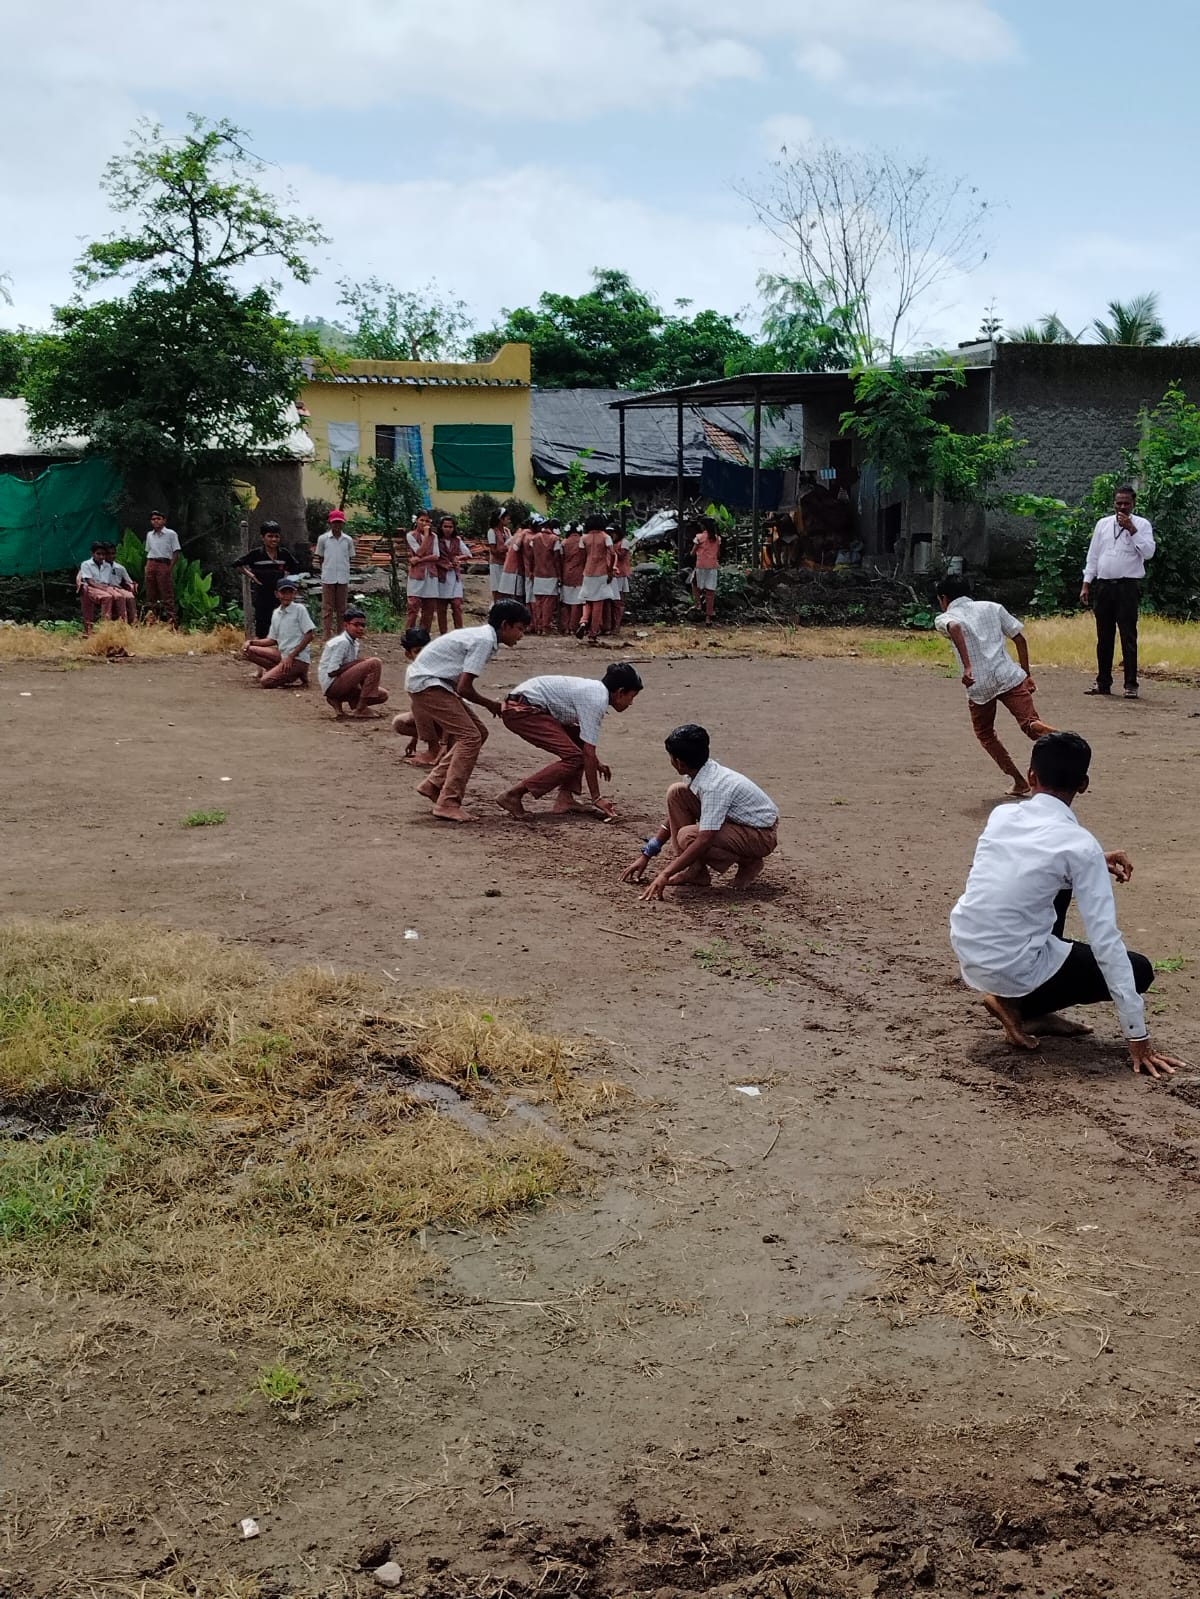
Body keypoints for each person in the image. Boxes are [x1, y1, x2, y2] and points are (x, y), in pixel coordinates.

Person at [950, 731, 1183, 1078]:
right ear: (1084, 784)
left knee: (1052, 887)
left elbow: (1030, 863)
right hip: (1011, 965)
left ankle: (1021, 1003)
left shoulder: (1002, 815)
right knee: (1140, 971)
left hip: (969, 947)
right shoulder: (1079, 846)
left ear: (1031, 776)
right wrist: (1138, 1036)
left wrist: (1090, 862)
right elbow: (1106, 944)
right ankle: (1022, 1006)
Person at [404, 599, 531, 822]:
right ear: (505, 625)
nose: (520, 635)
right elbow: (465, 687)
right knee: (470, 737)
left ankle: (434, 784)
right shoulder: (483, 640)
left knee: (479, 733)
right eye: (519, 629)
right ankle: (448, 802)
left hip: (434, 683)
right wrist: (490, 704)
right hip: (427, 683)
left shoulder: (484, 637)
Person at [622, 724, 779, 900]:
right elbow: (674, 814)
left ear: (679, 762)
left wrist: (665, 874)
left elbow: (705, 838)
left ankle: (748, 862)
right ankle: (696, 871)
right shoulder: (698, 771)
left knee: (688, 836)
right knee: (677, 793)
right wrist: (648, 852)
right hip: (739, 823)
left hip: (761, 835)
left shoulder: (713, 786)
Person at [935, 572, 1055, 798]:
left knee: (986, 734)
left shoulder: (946, 617)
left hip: (979, 684)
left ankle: (1019, 782)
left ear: (944, 599)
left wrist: (968, 666)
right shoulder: (993, 607)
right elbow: (1019, 639)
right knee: (1029, 725)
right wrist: (1026, 674)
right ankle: (1057, 737)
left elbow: (955, 627)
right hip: (1009, 675)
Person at [496, 663, 643, 821]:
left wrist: (595, 762)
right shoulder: (596, 699)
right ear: (620, 692)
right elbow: (588, 752)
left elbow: (584, 742)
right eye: (631, 697)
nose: (631, 703)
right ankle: (513, 794)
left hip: (529, 707)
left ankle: (565, 799)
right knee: (576, 757)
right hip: (522, 711)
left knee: (578, 740)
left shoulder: (595, 691)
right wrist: (596, 798)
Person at [1081, 484, 1156, 699]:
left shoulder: (1142, 524)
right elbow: (1093, 556)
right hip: (1104, 586)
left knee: (1128, 636)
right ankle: (1103, 682)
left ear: (1133, 504)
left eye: (1126, 503)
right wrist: (1087, 583)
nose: (1122, 507)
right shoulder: (1103, 524)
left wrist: (1132, 530)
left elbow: (1149, 553)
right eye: (1119, 503)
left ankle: (1130, 684)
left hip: (1127, 587)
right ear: (1114, 503)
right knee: (1104, 637)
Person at [232, 520, 308, 640]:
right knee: (262, 621)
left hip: (279, 595)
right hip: (262, 593)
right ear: (263, 537)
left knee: (280, 619)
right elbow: (237, 564)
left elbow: (295, 567)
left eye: (276, 536)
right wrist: (250, 575)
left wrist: (286, 578)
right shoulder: (256, 554)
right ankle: (262, 647)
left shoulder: (284, 554)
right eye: (270, 536)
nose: (274, 539)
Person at [241, 576, 316, 688]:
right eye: (283, 592)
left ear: (294, 594)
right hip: (283, 655)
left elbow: (310, 635)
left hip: (298, 657)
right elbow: (272, 640)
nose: (286, 596)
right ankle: (283, 672)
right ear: (277, 594)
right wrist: (251, 642)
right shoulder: (276, 613)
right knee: (248, 650)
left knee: (265, 681)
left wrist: (291, 656)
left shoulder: (299, 609)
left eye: (289, 592)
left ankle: (293, 675)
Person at [319, 605, 389, 718]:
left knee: (383, 695)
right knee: (375, 662)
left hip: (342, 683)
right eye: (356, 625)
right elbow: (332, 671)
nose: (361, 628)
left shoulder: (354, 643)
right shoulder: (342, 642)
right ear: (346, 625)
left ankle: (341, 700)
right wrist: (358, 662)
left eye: (363, 625)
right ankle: (360, 709)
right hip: (332, 684)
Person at [391, 627, 440, 763]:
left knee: (418, 704)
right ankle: (437, 745)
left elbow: (456, 705)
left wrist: (445, 744)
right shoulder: (414, 672)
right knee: (399, 723)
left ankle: (434, 750)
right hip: (437, 717)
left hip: (454, 720)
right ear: (408, 654)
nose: (423, 655)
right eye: (418, 651)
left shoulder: (441, 668)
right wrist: (415, 739)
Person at [314, 508, 355, 640]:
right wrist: (326, 570)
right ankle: (326, 634)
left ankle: (341, 634)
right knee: (327, 607)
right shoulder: (323, 539)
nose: (337, 525)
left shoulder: (347, 540)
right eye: (334, 522)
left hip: (343, 577)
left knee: (342, 608)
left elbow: (349, 558)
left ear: (343, 523)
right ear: (330, 523)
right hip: (328, 577)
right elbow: (320, 558)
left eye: (339, 522)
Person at [578, 514, 615, 642]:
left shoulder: (584, 538)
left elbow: (582, 557)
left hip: (588, 572)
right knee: (598, 603)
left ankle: (583, 621)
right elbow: (613, 553)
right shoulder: (606, 537)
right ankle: (593, 632)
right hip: (601, 572)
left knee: (587, 600)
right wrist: (610, 570)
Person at [435, 514, 473, 633]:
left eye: (450, 527)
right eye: (445, 526)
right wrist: (444, 564)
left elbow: (468, 554)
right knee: (442, 608)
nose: (448, 529)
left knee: (456, 605)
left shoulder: (457, 540)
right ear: (441, 527)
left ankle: (459, 632)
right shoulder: (436, 540)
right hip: (441, 577)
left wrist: (458, 558)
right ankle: (443, 634)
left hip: (455, 576)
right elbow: (434, 556)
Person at [143, 510, 181, 625]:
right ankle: (152, 621)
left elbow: (176, 552)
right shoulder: (149, 535)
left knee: (166, 594)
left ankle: (172, 622)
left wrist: (170, 568)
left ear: (164, 520)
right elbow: (148, 550)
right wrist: (147, 566)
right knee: (150, 594)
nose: (156, 521)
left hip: (164, 563)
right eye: (153, 519)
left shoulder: (171, 534)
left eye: (158, 519)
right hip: (151, 562)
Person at [526, 516, 562, 635]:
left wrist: (530, 570)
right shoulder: (555, 539)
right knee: (549, 601)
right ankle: (546, 626)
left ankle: (539, 626)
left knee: (539, 601)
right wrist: (559, 574)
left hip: (537, 573)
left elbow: (530, 556)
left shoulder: (535, 538)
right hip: (551, 573)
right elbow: (557, 559)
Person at [405, 510, 440, 631]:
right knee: (413, 605)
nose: (424, 523)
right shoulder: (410, 535)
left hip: (431, 574)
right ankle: (409, 633)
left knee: (429, 607)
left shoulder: (434, 537)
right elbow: (418, 551)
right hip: (417, 575)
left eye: (427, 521)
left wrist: (419, 560)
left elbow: (436, 556)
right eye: (422, 520)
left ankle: (424, 635)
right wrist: (426, 536)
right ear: (416, 521)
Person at [690, 516, 721, 624]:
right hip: (712, 567)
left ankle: (698, 603)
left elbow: (692, 553)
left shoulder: (699, 537)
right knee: (710, 592)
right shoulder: (717, 538)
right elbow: (718, 554)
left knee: (694, 582)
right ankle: (708, 616)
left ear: (703, 526)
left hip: (701, 566)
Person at [559, 522, 586, 637]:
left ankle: (565, 627)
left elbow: (560, 559)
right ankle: (573, 627)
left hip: (566, 575)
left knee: (566, 602)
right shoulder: (582, 541)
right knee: (576, 603)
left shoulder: (564, 543)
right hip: (579, 575)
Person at [101, 543, 138, 623]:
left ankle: (134, 621)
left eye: (113, 553)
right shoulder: (100, 566)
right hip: (104, 588)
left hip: (117, 588)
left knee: (130, 597)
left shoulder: (120, 567)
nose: (111, 556)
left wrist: (132, 586)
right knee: (119, 597)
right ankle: (122, 622)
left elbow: (129, 581)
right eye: (108, 554)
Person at [609, 526, 632, 635]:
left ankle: (617, 625)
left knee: (618, 601)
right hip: (610, 574)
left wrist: (611, 549)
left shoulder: (624, 542)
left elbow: (621, 556)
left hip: (620, 575)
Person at [486, 507, 511, 601]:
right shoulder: (492, 531)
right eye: (507, 519)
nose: (509, 521)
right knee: (497, 588)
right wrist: (504, 549)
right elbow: (493, 550)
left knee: (506, 589)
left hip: (506, 564)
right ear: (501, 519)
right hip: (496, 564)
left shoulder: (507, 531)